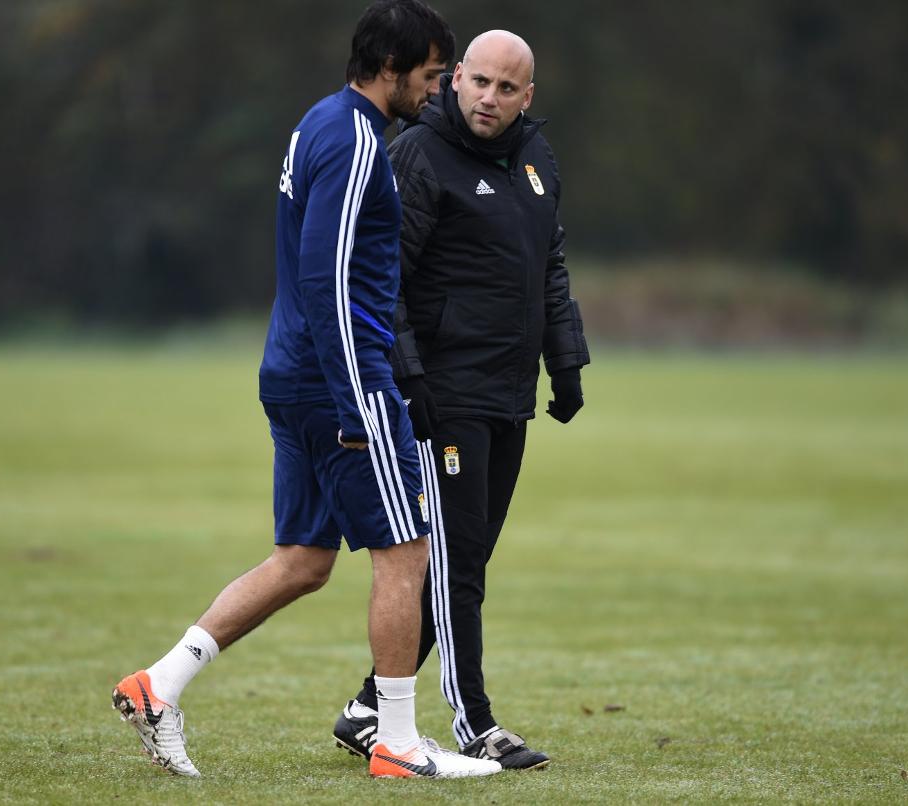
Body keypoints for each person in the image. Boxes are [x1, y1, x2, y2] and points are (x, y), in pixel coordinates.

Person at [110, 1, 501, 781]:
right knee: (406, 551)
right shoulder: (357, 142)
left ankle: (159, 685)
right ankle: (395, 742)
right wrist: (360, 401)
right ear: (390, 70)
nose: (437, 91)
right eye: (430, 75)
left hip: (291, 374)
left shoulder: (317, 121)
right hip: (339, 385)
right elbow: (328, 279)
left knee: (302, 560)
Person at [331, 29, 590, 771]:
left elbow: (551, 267)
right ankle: (476, 722)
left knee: (466, 560)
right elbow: (385, 284)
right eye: (477, 81)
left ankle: (365, 710)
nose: (489, 98)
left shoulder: (538, 160)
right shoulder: (417, 155)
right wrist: (411, 381)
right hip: (444, 396)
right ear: (455, 80)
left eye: (507, 89)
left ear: (527, 97)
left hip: (509, 394)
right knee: (456, 568)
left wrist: (565, 365)